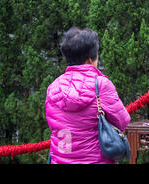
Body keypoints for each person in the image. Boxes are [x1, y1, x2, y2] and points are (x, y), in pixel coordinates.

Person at [45, 27, 130, 164]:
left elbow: (54, 125)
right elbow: (122, 121)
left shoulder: (53, 87)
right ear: (91, 59)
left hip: (60, 160)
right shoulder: (101, 85)